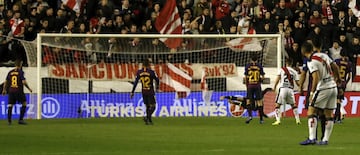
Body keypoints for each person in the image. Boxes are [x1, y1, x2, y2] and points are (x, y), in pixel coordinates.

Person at [299, 41, 340, 145]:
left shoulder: (311, 61)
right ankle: (325, 140)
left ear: (303, 51)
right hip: (333, 86)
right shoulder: (323, 55)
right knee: (328, 114)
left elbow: (315, 77)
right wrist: (338, 78)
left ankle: (312, 138)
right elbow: (334, 66)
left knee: (311, 111)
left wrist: (312, 93)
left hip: (323, 88)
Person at [2, 60, 32, 125]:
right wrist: (29, 88)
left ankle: (9, 121)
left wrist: (4, 90)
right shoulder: (20, 72)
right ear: (20, 64)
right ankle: (20, 120)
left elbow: (6, 82)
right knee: (24, 103)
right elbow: (23, 82)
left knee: (10, 105)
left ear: (15, 64)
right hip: (18, 91)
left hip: (11, 91)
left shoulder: (10, 72)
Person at [272, 58, 301, 125]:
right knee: (293, 105)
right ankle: (298, 120)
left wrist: (274, 87)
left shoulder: (282, 70)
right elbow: (297, 83)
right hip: (290, 90)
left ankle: (278, 120)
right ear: (291, 63)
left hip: (283, 89)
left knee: (277, 105)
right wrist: (301, 87)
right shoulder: (294, 72)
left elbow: (278, 79)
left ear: (286, 63)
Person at [130, 59, 159, 125]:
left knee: (147, 106)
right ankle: (147, 117)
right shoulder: (151, 72)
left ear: (142, 65)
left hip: (144, 91)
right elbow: (157, 79)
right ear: (149, 64)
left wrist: (132, 92)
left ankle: (149, 120)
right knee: (153, 106)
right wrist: (157, 87)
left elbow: (136, 82)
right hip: (150, 91)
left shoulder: (139, 72)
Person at [244, 55, 266, 124]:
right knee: (259, 102)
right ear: (257, 60)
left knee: (248, 101)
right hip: (257, 85)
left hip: (250, 85)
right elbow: (263, 77)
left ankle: (250, 116)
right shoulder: (259, 66)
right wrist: (260, 80)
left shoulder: (248, 66)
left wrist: (247, 85)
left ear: (251, 59)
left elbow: (245, 77)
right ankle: (261, 119)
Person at [333, 50, 352, 123]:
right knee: (339, 100)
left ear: (340, 55)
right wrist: (346, 83)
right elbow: (350, 76)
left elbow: (333, 70)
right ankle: (338, 118)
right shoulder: (349, 63)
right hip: (343, 82)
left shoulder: (337, 61)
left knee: (336, 100)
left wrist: (335, 79)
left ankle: (335, 118)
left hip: (336, 82)